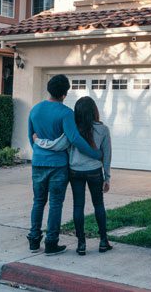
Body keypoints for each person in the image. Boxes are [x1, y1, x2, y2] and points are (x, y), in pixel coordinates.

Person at [27, 75, 102, 256]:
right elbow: (75, 139)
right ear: (64, 93)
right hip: (58, 165)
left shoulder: (35, 110)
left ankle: (34, 240)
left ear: (49, 89)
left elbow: (32, 137)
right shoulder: (66, 113)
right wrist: (95, 154)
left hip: (38, 162)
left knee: (38, 201)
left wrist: (40, 154)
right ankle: (51, 243)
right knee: (55, 204)